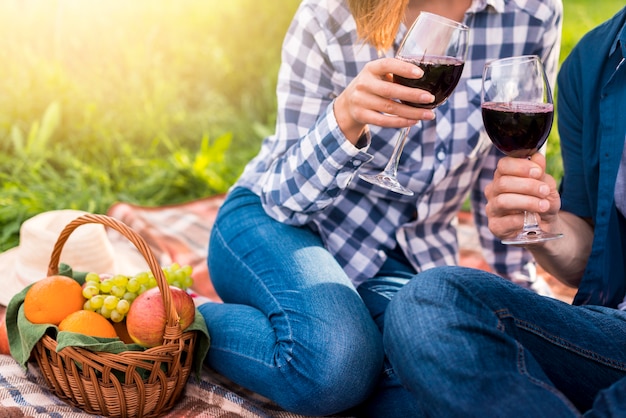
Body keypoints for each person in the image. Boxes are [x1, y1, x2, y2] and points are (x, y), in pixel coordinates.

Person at [198, 0, 562, 416]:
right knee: (334, 367)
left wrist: (522, 296)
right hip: (274, 221)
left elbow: (505, 171)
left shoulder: (533, 12)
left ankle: (303, 323)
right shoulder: (328, 15)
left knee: (436, 384)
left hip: (404, 257)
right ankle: (189, 317)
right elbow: (283, 200)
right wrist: (346, 117)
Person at [384, 6, 626, 417]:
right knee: (431, 300)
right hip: (614, 337)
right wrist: (543, 225)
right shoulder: (593, 64)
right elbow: (594, 258)